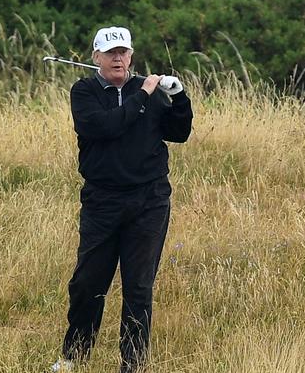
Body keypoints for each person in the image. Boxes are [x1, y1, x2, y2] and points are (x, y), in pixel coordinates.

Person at [52, 26, 193, 372]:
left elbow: (179, 133)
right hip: (102, 201)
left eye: (124, 52)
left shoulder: (150, 89)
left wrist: (179, 97)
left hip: (149, 200)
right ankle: (74, 356)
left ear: (131, 56)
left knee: (138, 288)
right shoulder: (84, 92)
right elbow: (106, 127)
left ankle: (132, 365)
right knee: (88, 284)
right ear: (96, 57)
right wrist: (143, 96)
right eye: (111, 52)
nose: (118, 58)